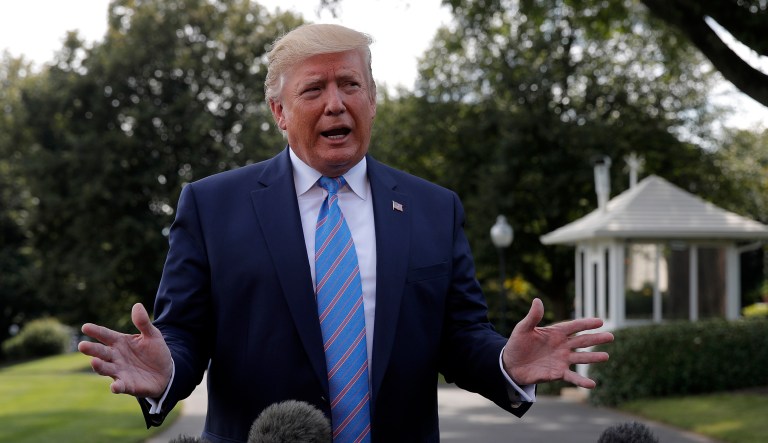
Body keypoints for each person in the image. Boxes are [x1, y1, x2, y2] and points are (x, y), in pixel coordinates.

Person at [79, 23, 614, 443]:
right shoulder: (212, 205)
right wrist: (166, 368)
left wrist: (506, 363)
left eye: (350, 84)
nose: (336, 103)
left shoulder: (434, 208)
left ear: (372, 99)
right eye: (314, 89)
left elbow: (459, 336)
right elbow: (185, 334)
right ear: (280, 113)